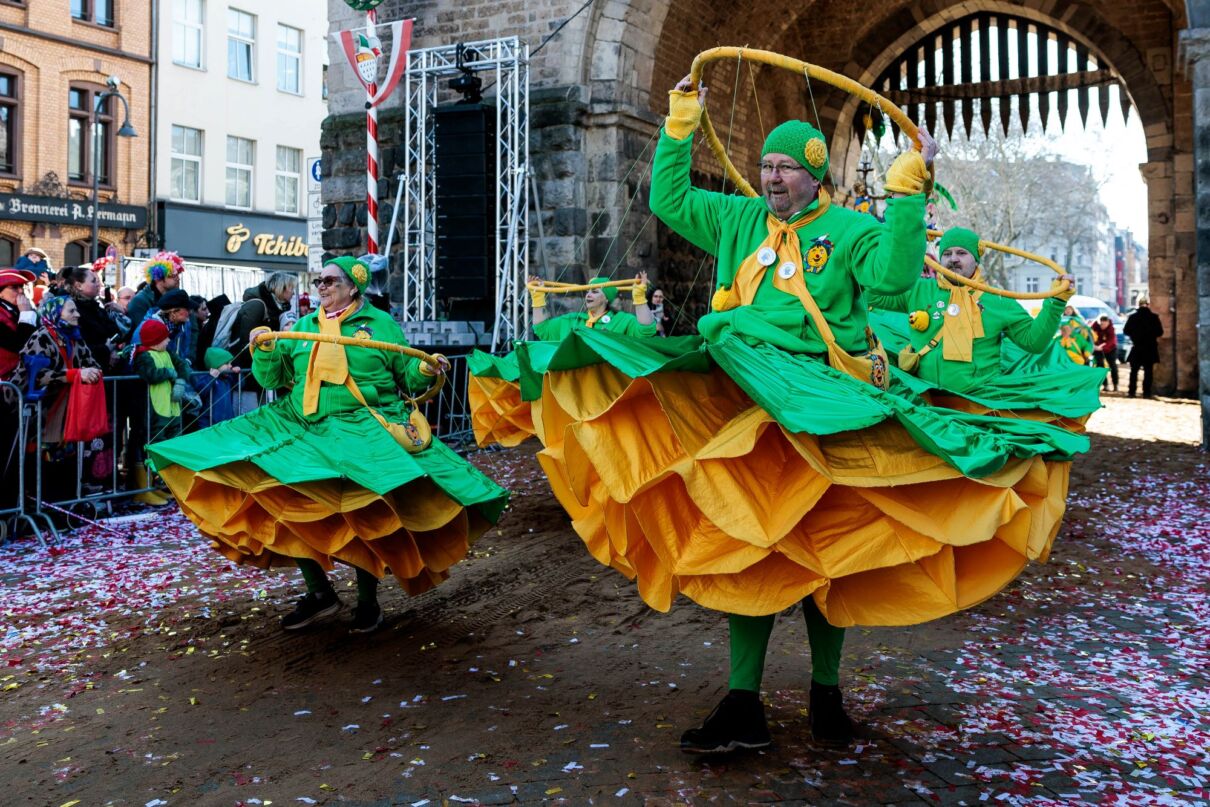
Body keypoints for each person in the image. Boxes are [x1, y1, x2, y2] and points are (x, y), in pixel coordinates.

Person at [517, 75, 1087, 758]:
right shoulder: (736, 219)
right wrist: (680, 120)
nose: (770, 175)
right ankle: (742, 701)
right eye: (764, 164)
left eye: (785, 166)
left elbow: (896, 278)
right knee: (747, 546)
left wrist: (908, 192)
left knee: (830, 555)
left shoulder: (848, 229)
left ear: (816, 174)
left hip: (824, 409)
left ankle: (826, 694)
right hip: (743, 399)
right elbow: (668, 199)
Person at [146, 257, 509, 634]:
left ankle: (367, 603)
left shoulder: (382, 325)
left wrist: (424, 369)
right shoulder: (303, 327)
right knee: (289, 504)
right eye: (319, 280)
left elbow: (410, 379)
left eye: (331, 281)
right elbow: (272, 377)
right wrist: (265, 350)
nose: (322, 286)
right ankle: (320, 593)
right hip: (302, 426)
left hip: (362, 429)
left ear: (354, 286)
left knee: (365, 516)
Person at [868, 226, 1076, 393]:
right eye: (947, 253)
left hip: (979, 402)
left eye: (962, 253)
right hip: (925, 400)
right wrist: (881, 256)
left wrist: (1056, 301)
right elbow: (870, 293)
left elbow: (1034, 342)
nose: (953, 259)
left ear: (976, 259)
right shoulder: (917, 290)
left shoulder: (998, 300)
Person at [529, 272, 657, 339]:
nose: (588, 295)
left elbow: (646, 330)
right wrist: (537, 297)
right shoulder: (571, 320)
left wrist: (639, 296)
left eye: (594, 292)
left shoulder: (622, 320)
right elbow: (542, 329)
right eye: (587, 291)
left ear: (606, 299)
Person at [132, 319, 190, 445]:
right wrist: (168, 372)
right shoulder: (143, 356)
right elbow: (150, 374)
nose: (169, 340)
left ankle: (174, 464)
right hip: (155, 410)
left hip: (173, 407)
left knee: (175, 441)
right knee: (157, 441)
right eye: (165, 338)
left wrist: (180, 381)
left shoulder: (167, 352)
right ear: (155, 341)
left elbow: (183, 365)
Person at [62, 265, 121, 370]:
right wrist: (105, 350)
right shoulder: (72, 310)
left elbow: (115, 331)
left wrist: (114, 350)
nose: (98, 284)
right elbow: (78, 345)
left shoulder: (97, 307)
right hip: (88, 371)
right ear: (79, 286)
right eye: (93, 281)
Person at [124, 252, 185, 341]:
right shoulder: (140, 301)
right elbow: (144, 335)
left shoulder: (173, 300)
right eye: (172, 275)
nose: (178, 278)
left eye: (178, 274)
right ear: (158, 277)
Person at [0, 268, 37, 382]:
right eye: (14, 287)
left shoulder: (18, 309)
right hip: (6, 379)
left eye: (23, 287)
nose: (21, 291)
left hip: (22, 375)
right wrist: (26, 314)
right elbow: (20, 345)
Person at [1123, 297, 1163, 398]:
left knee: (1134, 371)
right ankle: (1147, 393)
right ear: (1148, 305)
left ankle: (1132, 392)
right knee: (1148, 371)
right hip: (1150, 348)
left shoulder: (1133, 317)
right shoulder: (1154, 317)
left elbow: (1126, 330)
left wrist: (1135, 335)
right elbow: (1160, 332)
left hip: (1137, 347)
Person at [1090, 314, 1119, 392]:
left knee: (1113, 366)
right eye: (1101, 324)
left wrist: (1102, 347)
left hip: (1110, 349)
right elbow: (1090, 335)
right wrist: (1096, 347)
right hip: (1097, 349)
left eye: (1105, 324)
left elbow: (1111, 341)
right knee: (1100, 366)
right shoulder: (1094, 326)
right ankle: (1105, 385)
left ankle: (1115, 384)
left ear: (1108, 322)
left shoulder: (1111, 329)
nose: (1103, 326)